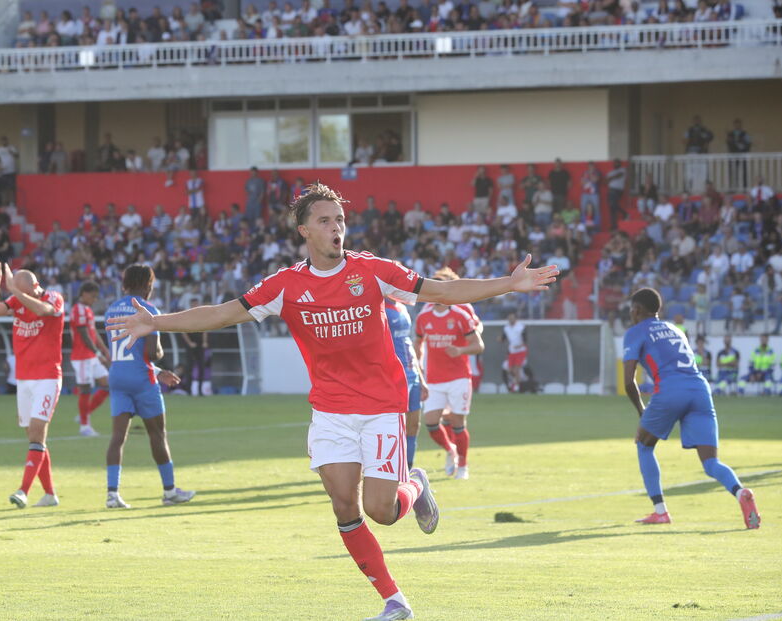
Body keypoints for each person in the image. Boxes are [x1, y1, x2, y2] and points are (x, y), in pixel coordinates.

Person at [106, 183, 558, 621]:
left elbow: (440, 291)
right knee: (345, 507)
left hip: (382, 406)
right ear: (303, 230)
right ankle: (395, 602)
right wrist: (156, 322)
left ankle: (416, 484)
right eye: (324, 221)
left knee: (381, 511)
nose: (336, 228)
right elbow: (222, 313)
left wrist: (508, 284)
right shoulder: (284, 285)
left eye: (340, 219)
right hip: (331, 412)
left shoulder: (374, 271)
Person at [622, 288, 760, 529]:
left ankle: (660, 511)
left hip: (670, 389)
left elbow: (628, 381)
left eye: (631, 310)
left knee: (644, 445)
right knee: (710, 463)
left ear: (636, 310)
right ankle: (740, 492)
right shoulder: (676, 330)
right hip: (700, 390)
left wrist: (641, 412)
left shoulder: (635, 332)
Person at [104, 264, 194, 509]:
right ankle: (169, 492)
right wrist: (160, 361)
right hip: (142, 379)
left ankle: (112, 494)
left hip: (118, 376)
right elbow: (152, 353)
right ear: (148, 285)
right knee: (157, 434)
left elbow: (123, 351)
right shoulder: (148, 309)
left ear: (125, 284)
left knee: (117, 438)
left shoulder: (111, 310)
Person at [0, 259, 64, 509]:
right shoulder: (17, 300)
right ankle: (50, 494)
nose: (17, 296)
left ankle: (23, 491)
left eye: (21, 290)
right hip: (24, 377)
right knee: (33, 436)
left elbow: (43, 311)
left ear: (36, 285)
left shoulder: (54, 297)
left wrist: (15, 289)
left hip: (48, 377)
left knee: (37, 433)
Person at [414, 267, 484, 481]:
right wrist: (419, 366)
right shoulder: (424, 314)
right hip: (434, 378)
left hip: (458, 376)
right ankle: (451, 449)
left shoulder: (462, 309)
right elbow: (418, 343)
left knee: (457, 421)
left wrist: (461, 349)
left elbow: (477, 337)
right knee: (431, 421)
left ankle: (463, 465)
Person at [384, 294, 427, 470]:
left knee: (413, 425)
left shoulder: (402, 306)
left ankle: (408, 471)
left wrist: (421, 378)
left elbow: (407, 342)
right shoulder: (379, 309)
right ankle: (390, 472)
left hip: (413, 374)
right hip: (394, 378)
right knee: (394, 430)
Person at [71, 281, 111, 437]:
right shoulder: (78, 310)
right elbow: (84, 335)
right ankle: (84, 426)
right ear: (84, 294)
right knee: (86, 389)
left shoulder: (87, 310)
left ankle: (83, 415)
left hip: (91, 356)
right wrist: (98, 354)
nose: (94, 300)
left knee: (108, 385)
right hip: (82, 357)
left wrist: (105, 350)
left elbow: (93, 334)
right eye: (93, 297)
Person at [181, 299, 213, 396]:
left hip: (199, 344)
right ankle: (188, 390)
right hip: (191, 345)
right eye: (193, 304)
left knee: (201, 367)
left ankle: (200, 391)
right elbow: (183, 331)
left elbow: (205, 330)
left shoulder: (201, 316)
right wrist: (190, 343)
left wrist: (204, 342)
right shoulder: (187, 316)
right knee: (189, 367)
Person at [500, 312, 527, 393]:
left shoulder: (521, 327)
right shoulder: (506, 328)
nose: (510, 320)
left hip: (520, 350)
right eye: (509, 318)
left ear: (515, 319)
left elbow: (525, 340)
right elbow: (503, 338)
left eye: (512, 318)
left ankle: (517, 387)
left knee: (516, 369)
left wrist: (520, 346)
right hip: (512, 351)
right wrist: (500, 339)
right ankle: (517, 381)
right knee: (509, 370)